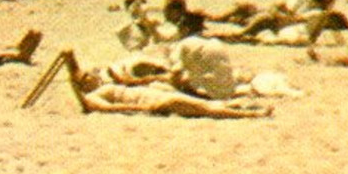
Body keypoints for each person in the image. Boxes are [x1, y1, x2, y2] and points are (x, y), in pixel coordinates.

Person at [48, 50, 271, 119]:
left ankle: (245, 107)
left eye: (90, 74)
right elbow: (111, 108)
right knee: (204, 109)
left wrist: (69, 59)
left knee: (203, 103)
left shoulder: (100, 86)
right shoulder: (92, 97)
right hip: (155, 102)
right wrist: (143, 109)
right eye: (87, 77)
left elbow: (74, 70)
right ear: (82, 85)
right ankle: (252, 114)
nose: (92, 76)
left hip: (154, 94)